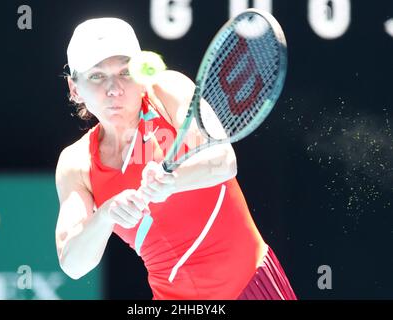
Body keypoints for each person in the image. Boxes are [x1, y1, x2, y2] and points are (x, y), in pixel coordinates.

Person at [55, 17, 297, 300]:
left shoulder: (167, 92)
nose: (114, 89)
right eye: (97, 76)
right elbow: (73, 264)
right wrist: (106, 214)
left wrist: (172, 182)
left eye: (125, 72)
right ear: (75, 88)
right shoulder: (76, 163)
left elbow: (223, 160)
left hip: (250, 286)